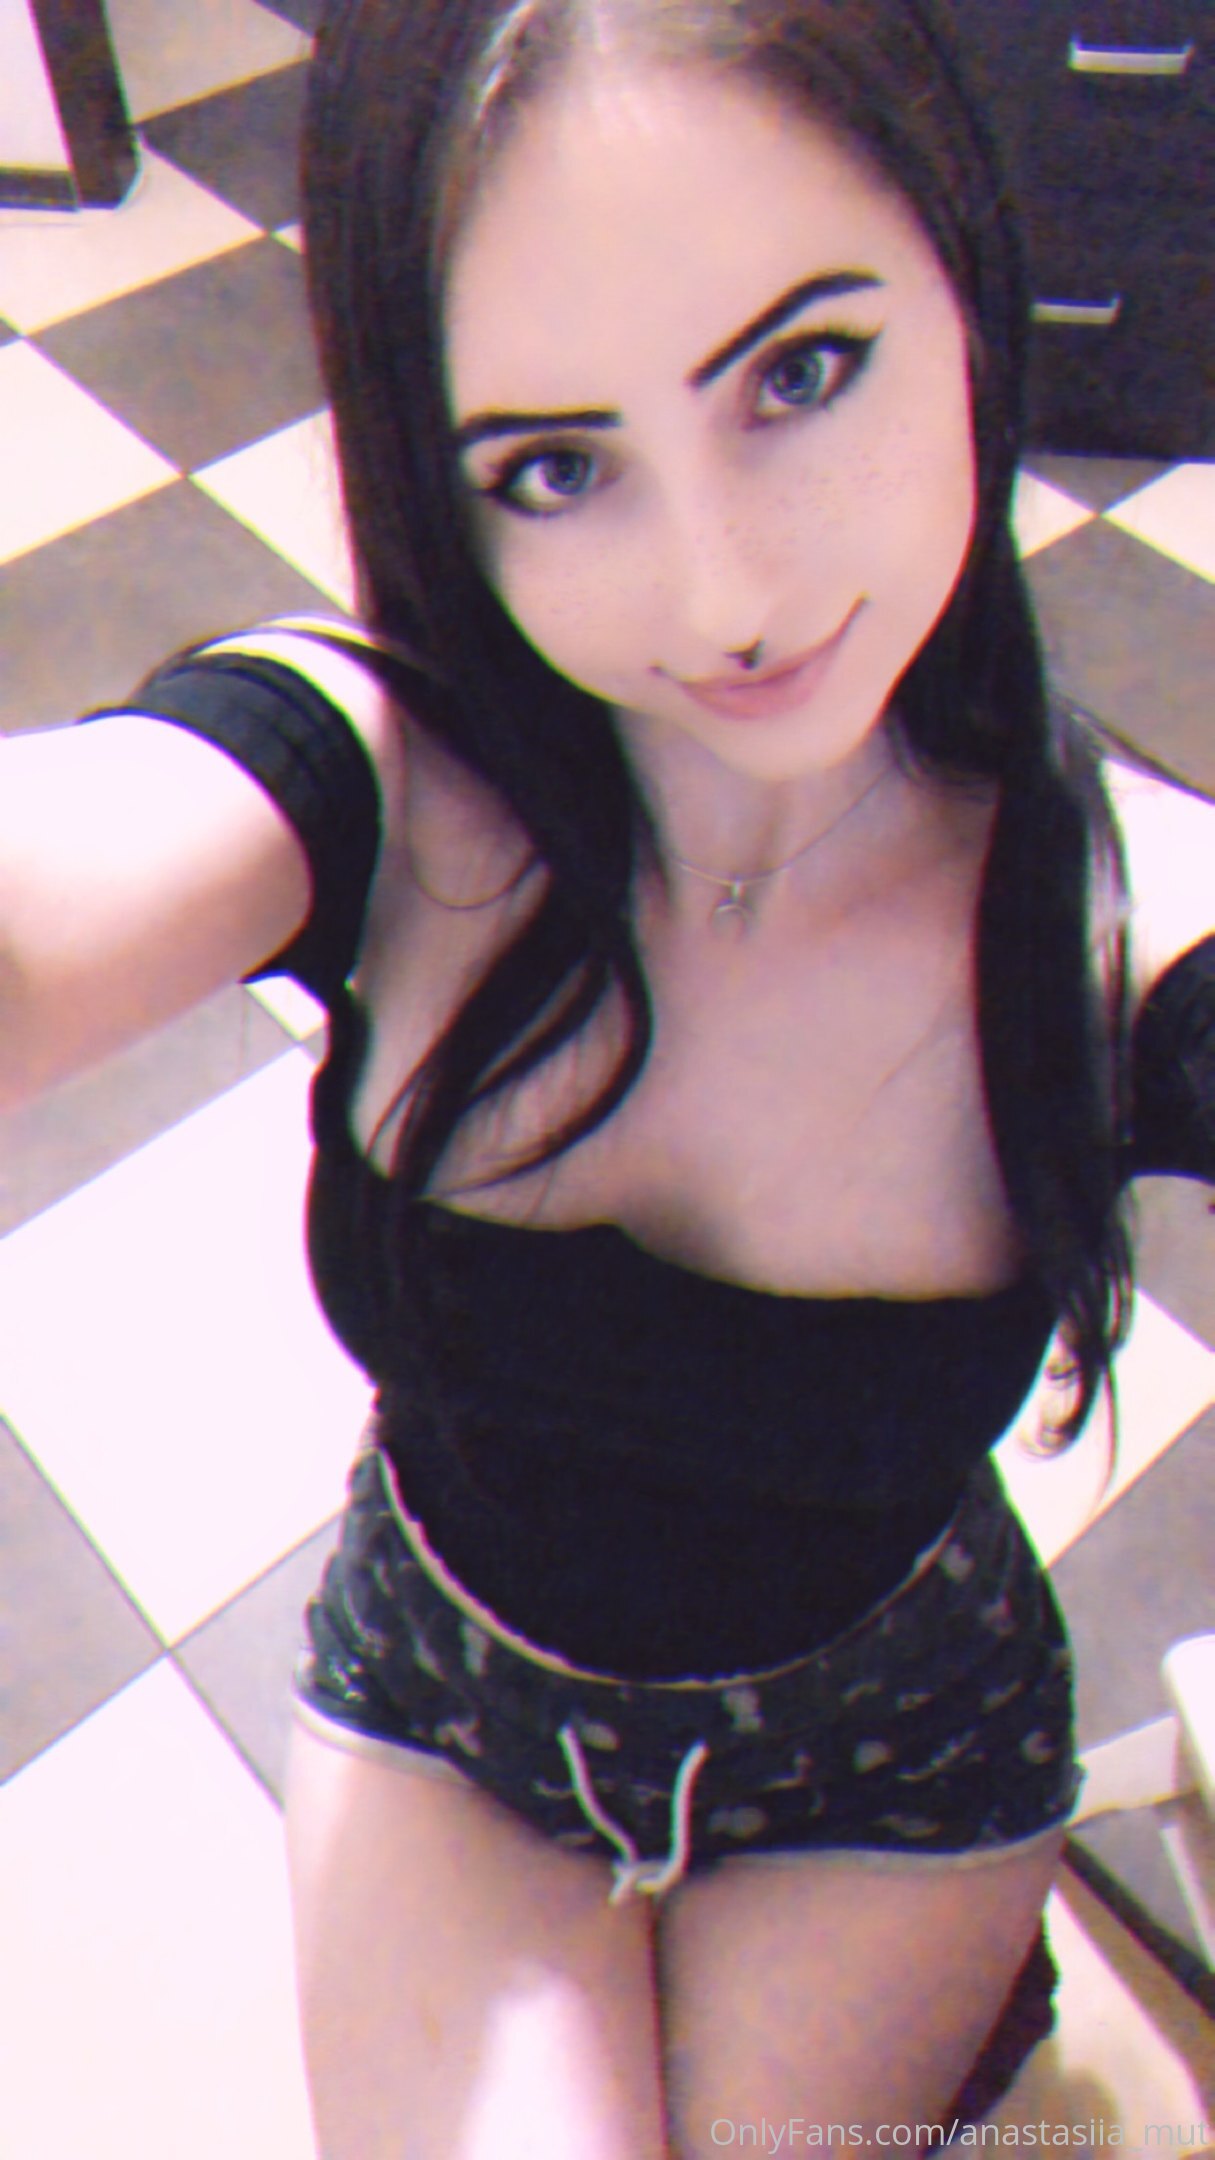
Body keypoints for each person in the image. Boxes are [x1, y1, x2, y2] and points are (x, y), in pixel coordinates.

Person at [3, 0, 1212, 2150]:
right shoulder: (393, 783)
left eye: (800, 371)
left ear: (961, 272)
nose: (724, 596)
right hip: (452, 1709)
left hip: (893, 1750)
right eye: (553, 469)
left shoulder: (1110, 930)